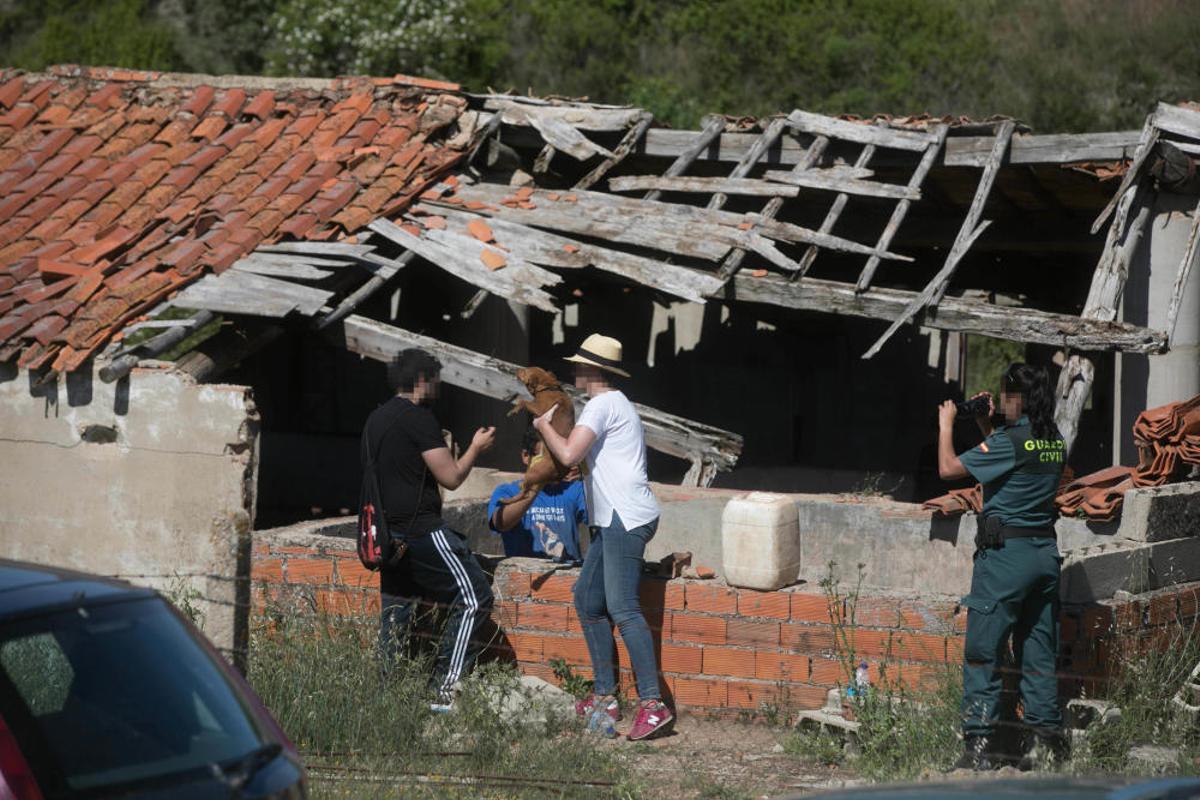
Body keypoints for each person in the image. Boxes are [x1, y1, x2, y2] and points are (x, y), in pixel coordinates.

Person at [532, 333, 673, 741]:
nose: (575, 371)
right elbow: (590, 459)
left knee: (623, 607)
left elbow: (569, 454)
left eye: (579, 365)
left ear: (592, 370)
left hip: (624, 519)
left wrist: (543, 426)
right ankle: (604, 697)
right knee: (588, 600)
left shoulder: (601, 404)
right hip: (615, 517)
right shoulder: (616, 405)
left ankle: (652, 705)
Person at [936, 363, 1068, 770]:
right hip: (1044, 555)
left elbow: (947, 470)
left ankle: (980, 746)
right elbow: (1013, 461)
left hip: (1005, 560)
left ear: (1016, 398)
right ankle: (1047, 744)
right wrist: (982, 421)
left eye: (1003, 396)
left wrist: (946, 425)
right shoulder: (1052, 440)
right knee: (1038, 649)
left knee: (984, 651)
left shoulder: (1012, 440)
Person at [364, 348, 496, 710]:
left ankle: (386, 698)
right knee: (474, 598)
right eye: (436, 378)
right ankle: (445, 691)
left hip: (389, 538)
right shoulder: (419, 419)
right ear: (423, 380)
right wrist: (475, 448)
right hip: (420, 531)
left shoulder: (376, 419)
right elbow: (451, 478)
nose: (439, 386)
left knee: (396, 613)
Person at [488, 427, 587, 562]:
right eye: (545, 458)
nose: (552, 464)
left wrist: (586, 472)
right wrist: (535, 486)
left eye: (555, 457)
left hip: (568, 578)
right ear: (526, 456)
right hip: (524, 578)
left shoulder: (573, 489)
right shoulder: (508, 491)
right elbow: (500, 523)